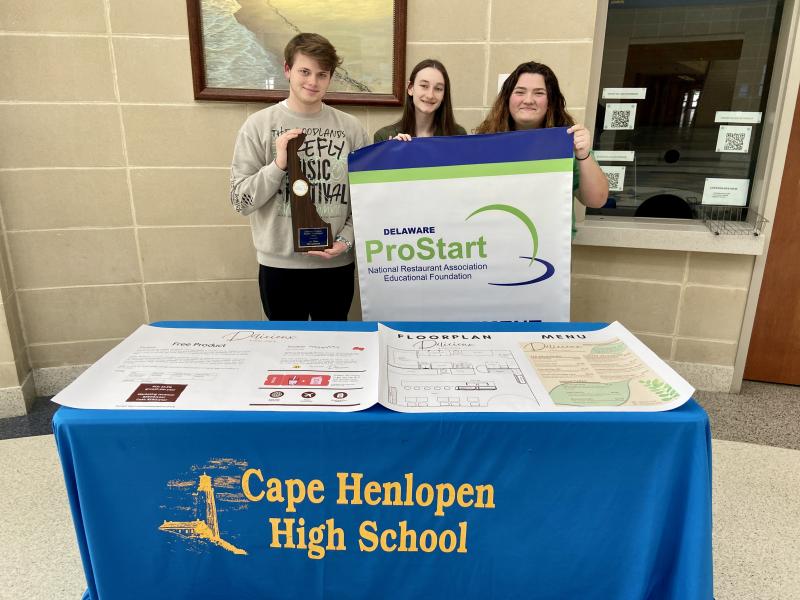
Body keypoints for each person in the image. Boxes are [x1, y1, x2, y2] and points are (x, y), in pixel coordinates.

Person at [230, 33, 369, 321]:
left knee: (332, 352)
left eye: (322, 74)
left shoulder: (352, 129)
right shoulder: (258, 126)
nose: (313, 82)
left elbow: (367, 200)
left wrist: (346, 240)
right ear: (287, 70)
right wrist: (277, 164)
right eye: (304, 71)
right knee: (284, 353)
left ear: (330, 77)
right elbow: (240, 201)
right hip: (278, 268)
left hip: (335, 266)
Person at [475, 61, 608, 210]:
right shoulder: (485, 141)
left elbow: (597, 201)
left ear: (550, 102)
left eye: (539, 93)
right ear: (507, 99)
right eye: (520, 92)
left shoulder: (568, 143)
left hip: (549, 233)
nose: (528, 100)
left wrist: (583, 155)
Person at [374, 59, 466, 142]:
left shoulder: (458, 135)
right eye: (424, 86)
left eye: (438, 88)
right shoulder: (384, 137)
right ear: (410, 88)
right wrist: (390, 153)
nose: (430, 95)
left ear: (444, 95)